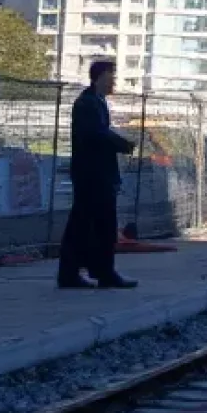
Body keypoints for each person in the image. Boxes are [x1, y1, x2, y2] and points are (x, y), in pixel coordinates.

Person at [57, 59, 138, 289]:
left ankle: (92, 271)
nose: (114, 81)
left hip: (97, 174)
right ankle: (96, 273)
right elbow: (97, 134)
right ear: (101, 76)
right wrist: (123, 144)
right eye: (112, 75)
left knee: (91, 225)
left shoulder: (97, 101)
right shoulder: (87, 103)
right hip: (92, 175)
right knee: (94, 225)